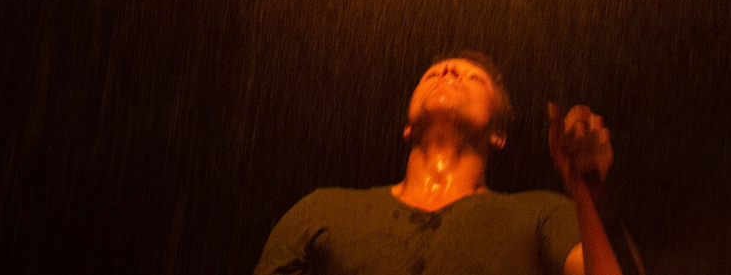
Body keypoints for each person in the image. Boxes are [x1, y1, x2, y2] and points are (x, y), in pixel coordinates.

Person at [255, 52, 623, 275]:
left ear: (498, 133)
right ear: (407, 127)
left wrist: (584, 193)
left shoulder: (541, 214)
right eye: (434, 74)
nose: (449, 72)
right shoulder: (322, 210)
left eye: (473, 77)